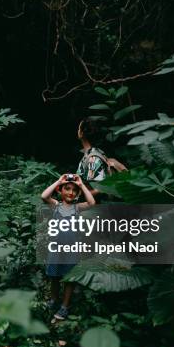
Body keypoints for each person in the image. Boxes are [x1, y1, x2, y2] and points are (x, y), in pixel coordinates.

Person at [41, 173, 95, 320]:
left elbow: (91, 203)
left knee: (69, 279)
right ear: (61, 190)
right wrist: (59, 181)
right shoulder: (56, 206)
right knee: (54, 277)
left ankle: (64, 306)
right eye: (67, 189)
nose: (70, 192)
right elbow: (44, 196)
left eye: (73, 190)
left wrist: (81, 184)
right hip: (56, 248)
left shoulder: (77, 208)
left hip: (71, 249)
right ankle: (53, 300)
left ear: (77, 194)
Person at [76, 118, 128, 197]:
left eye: (79, 128)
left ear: (81, 133)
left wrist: (76, 195)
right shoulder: (97, 152)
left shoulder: (93, 159)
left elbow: (100, 189)